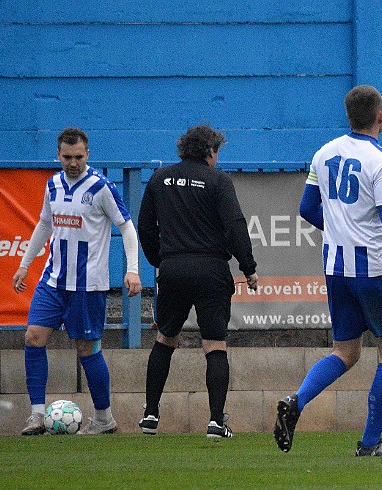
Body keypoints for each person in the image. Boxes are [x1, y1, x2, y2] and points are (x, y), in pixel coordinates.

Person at [273, 85, 382, 457]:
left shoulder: (323, 153)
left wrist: (339, 228)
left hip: (336, 268)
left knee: (345, 351)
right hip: (375, 269)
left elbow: (306, 208)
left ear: (348, 114)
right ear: (380, 116)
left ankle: (297, 400)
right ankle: (369, 444)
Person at [12, 127, 142, 435]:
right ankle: (37, 415)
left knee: (86, 348)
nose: (73, 163)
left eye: (78, 157)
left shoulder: (101, 187)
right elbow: (45, 224)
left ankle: (104, 419)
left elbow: (126, 227)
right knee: (33, 336)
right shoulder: (53, 184)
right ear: (58, 155)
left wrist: (133, 269)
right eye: (67, 157)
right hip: (53, 280)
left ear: (88, 154)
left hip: (88, 285)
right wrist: (24, 265)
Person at [137, 124, 258, 439]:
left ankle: (150, 415)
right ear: (210, 152)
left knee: (165, 339)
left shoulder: (159, 178)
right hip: (211, 270)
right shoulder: (218, 180)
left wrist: (159, 260)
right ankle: (216, 422)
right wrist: (249, 267)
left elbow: (145, 226)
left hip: (173, 268)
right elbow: (235, 225)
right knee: (214, 344)